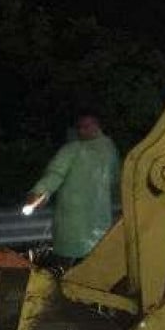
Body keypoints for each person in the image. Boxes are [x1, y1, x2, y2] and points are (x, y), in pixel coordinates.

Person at [25, 113, 120, 267]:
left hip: (76, 228)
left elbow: (55, 174)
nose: (82, 131)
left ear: (97, 126)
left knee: (66, 272)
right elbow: (55, 175)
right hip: (93, 228)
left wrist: (40, 192)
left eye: (86, 126)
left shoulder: (77, 149)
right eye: (80, 127)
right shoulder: (108, 150)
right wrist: (40, 192)